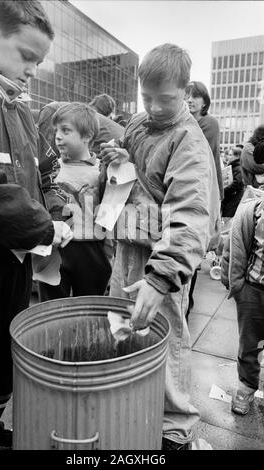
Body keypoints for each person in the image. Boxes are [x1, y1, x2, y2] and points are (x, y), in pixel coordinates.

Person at [100, 43, 221, 450]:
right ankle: (129, 400)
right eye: (146, 97)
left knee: (165, 334)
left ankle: (174, 430)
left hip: (159, 254)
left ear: (186, 92)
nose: (152, 107)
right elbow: (141, 170)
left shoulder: (188, 140)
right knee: (123, 321)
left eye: (165, 99)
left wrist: (162, 276)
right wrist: (120, 155)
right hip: (128, 244)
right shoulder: (138, 124)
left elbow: (189, 213)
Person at [0, 0, 72, 450]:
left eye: (39, 61)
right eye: (26, 56)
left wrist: (56, 210)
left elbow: (45, 171)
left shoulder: (20, 104)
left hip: (17, 257)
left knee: (5, 351)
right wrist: (42, 227)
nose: (32, 69)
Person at [38, 102, 112, 301]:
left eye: (66, 130)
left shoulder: (103, 171)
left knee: (90, 308)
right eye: (56, 131)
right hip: (55, 248)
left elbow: (111, 210)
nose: (58, 136)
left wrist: (109, 251)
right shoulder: (48, 170)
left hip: (91, 249)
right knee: (51, 308)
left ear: (87, 136)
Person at [221, 196, 264, 415]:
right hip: (254, 288)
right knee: (250, 343)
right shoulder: (254, 209)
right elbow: (233, 246)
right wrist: (233, 282)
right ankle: (246, 388)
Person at [185, 81, 223, 320]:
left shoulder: (207, 123)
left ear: (204, 102)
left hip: (203, 193)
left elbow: (193, 149)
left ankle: (186, 305)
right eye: (186, 95)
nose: (189, 100)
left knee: (191, 250)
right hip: (192, 191)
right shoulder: (185, 122)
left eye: (195, 97)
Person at [221, 147, 244, 218]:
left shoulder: (237, 167)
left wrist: (224, 190)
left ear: (237, 156)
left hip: (234, 197)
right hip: (231, 196)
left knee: (228, 218)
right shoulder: (233, 166)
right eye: (228, 154)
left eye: (231, 155)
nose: (228, 156)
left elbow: (237, 183)